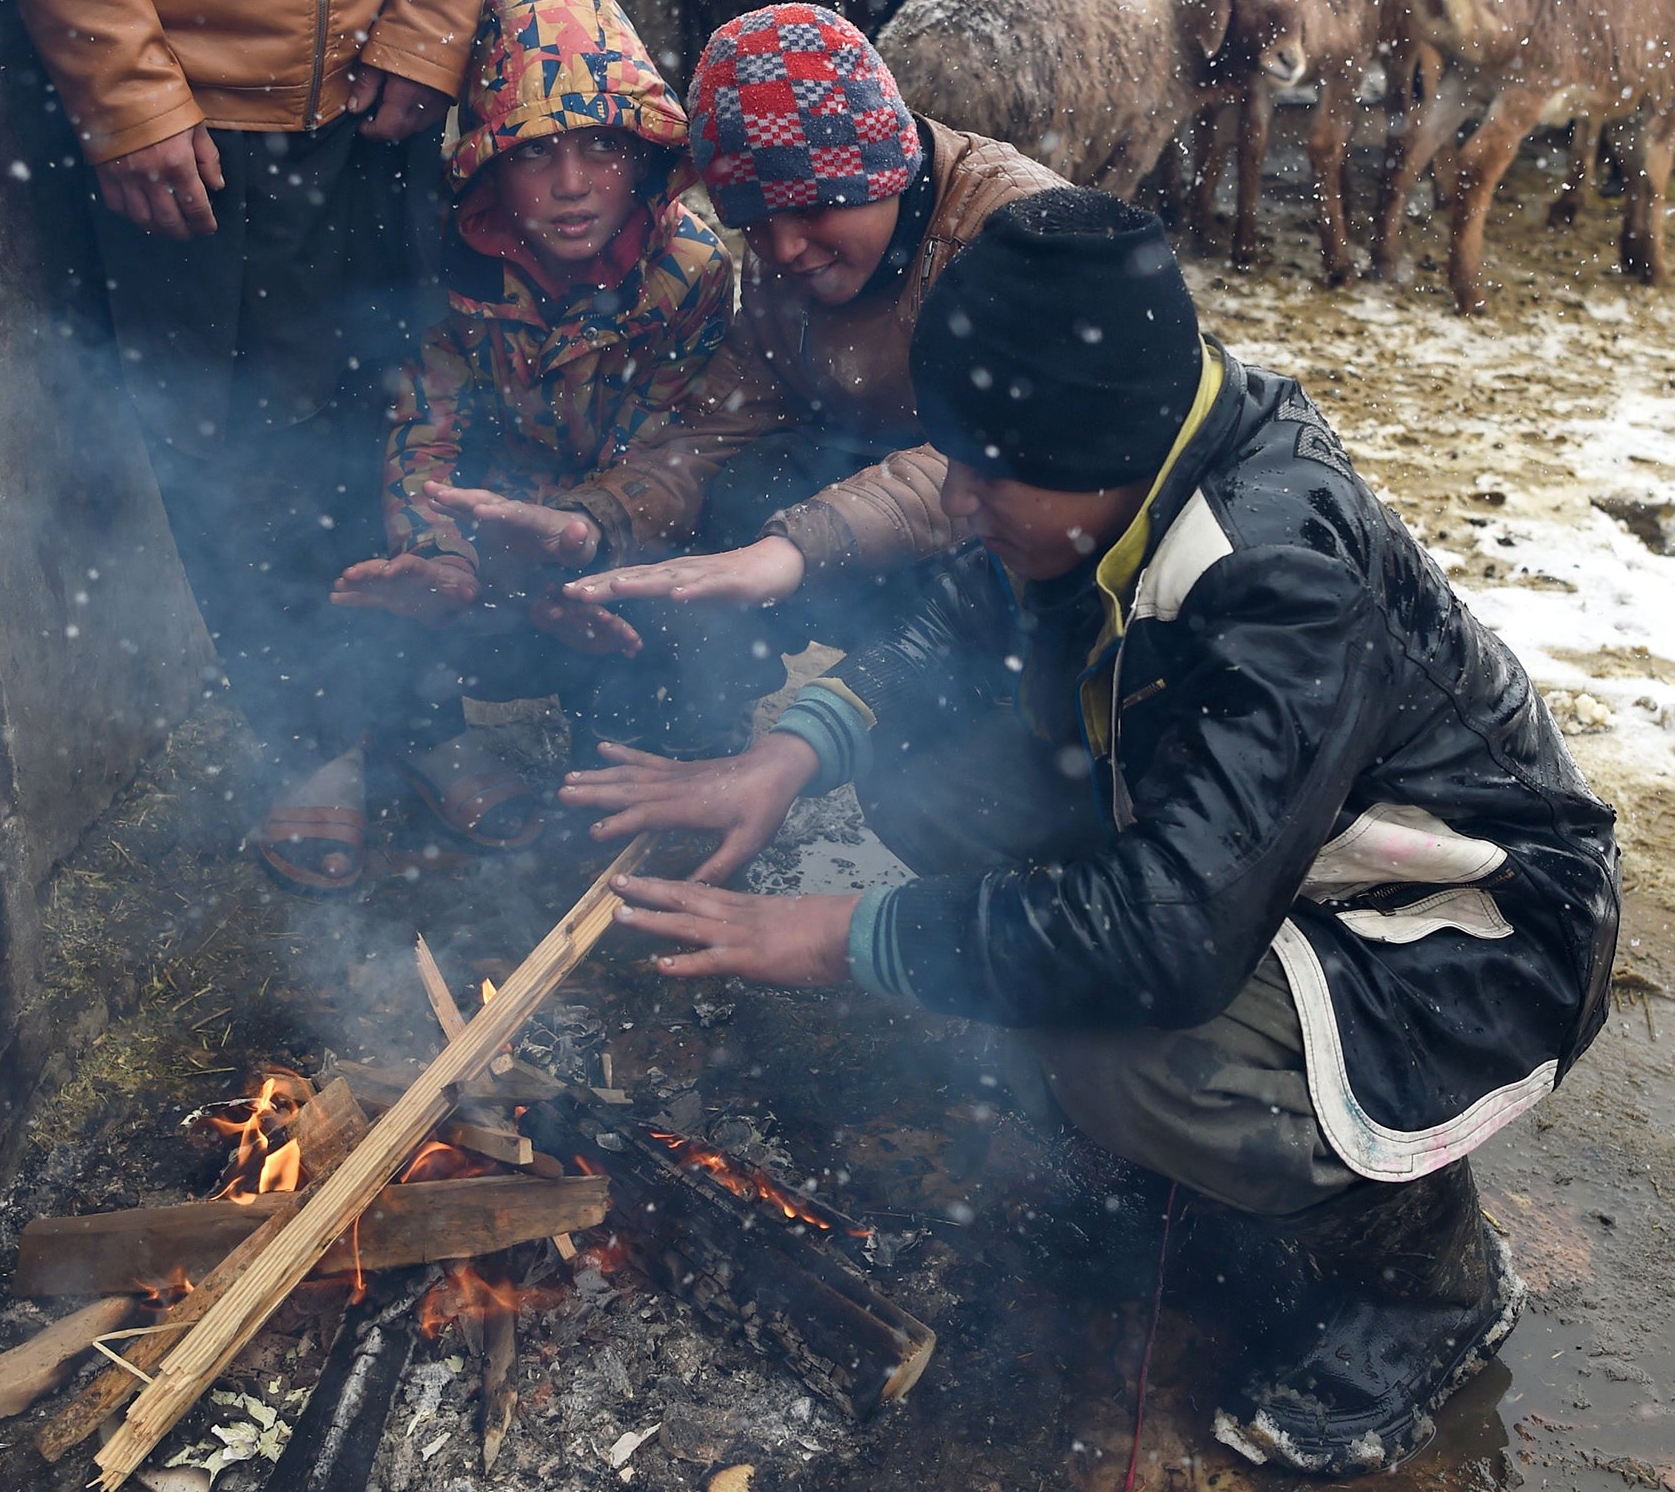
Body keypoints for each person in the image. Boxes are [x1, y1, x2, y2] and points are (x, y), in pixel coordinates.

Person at [561, 188, 1620, 1475]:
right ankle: (1186, 1142)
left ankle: (1428, 1269)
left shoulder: (1277, 575)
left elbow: (1168, 938)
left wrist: (841, 934)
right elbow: (956, 622)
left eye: (987, 467)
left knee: (1131, 1053)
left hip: (1472, 923)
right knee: (925, 782)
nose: (959, 498)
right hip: (1258, 855)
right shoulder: (1114, 463)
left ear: (1097, 447)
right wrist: (789, 755)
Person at [0, 0, 486, 873]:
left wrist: (432, 21)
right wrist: (129, 93)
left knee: (406, 392)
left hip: (380, 80)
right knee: (241, 440)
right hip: (201, 107)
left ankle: (421, 709)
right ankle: (310, 737)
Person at [426, 2, 1065, 690]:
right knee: (722, 515)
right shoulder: (793, 258)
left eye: (812, 207)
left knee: (979, 652)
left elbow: (1005, 456)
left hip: (1028, 543)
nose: (784, 249)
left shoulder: (1019, 239)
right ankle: (687, 743)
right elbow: (717, 429)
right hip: (865, 494)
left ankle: (942, 728)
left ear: (887, 169)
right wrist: (595, 521)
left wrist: (792, 551)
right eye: (755, 224)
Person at [252, 0, 732, 893]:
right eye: (532, 153)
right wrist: (443, 559)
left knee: (693, 618)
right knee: (377, 574)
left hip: (614, 537)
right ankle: (400, 732)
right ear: (485, 170)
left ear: (641, 153)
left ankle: (666, 732)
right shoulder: (450, 266)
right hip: (486, 535)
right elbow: (422, 432)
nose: (570, 184)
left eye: (599, 146)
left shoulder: (692, 272)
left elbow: (677, 455)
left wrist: (576, 557)